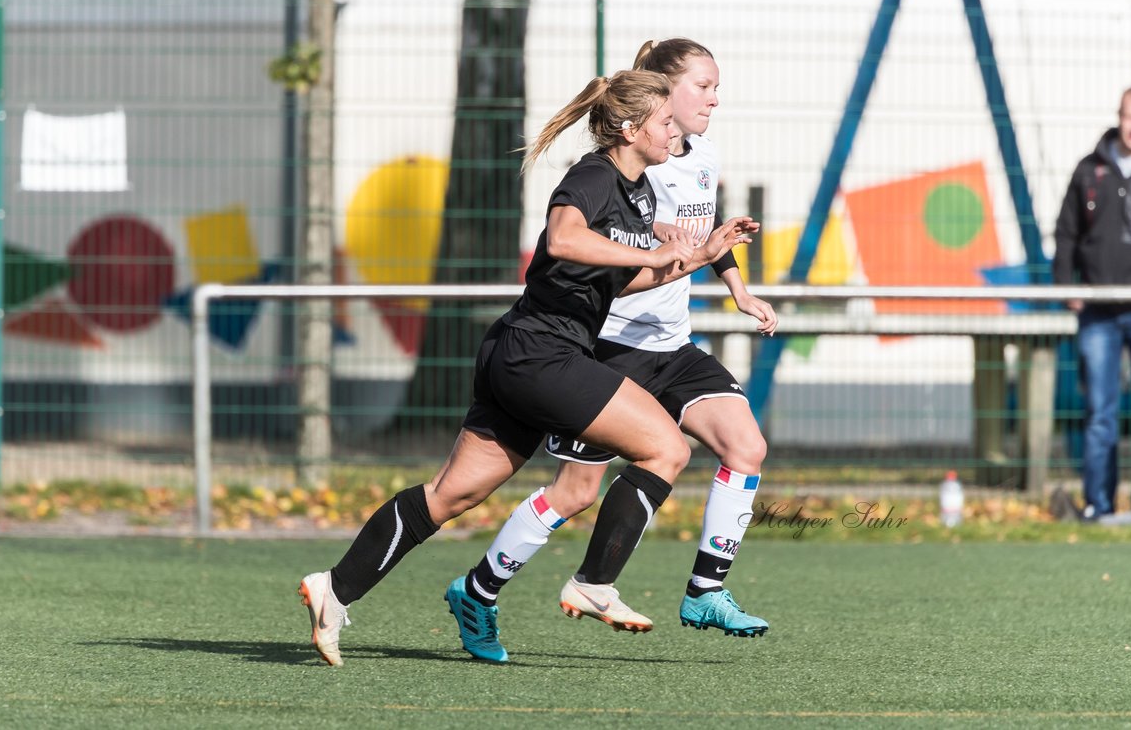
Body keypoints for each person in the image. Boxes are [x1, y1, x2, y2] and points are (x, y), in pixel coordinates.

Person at [298, 69, 759, 666]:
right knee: (667, 451)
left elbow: (622, 281)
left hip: (520, 351)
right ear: (628, 128)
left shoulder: (638, 192)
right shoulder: (593, 175)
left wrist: (695, 256)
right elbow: (564, 241)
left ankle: (333, 589)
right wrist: (652, 248)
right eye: (664, 122)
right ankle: (593, 584)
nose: (674, 132)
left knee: (450, 494)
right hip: (543, 354)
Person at [447, 39, 776, 662]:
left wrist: (738, 290)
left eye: (716, 86)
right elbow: (596, 236)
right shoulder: (630, 162)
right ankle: (480, 587)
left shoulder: (703, 156)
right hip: (607, 345)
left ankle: (703, 588)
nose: (713, 97)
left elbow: (704, 238)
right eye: (703, 85)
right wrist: (653, 243)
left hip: (671, 345)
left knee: (746, 445)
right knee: (574, 492)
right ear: (664, 92)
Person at [1053, 85, 1131, 522]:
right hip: (1098, 311)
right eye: (1129, 117)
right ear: (1118, 116)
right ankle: (1098, 507)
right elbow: (1066, 231)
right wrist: (1064, 285)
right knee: (1100, 415)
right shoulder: (1090, 170)